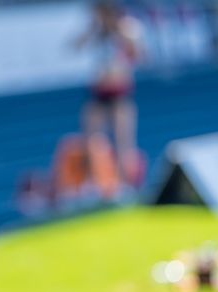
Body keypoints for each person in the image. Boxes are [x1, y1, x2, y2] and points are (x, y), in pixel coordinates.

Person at [76, 0, 142, 199]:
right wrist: (93, 30)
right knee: (90, 139)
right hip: (99, 92)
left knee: (123, 142)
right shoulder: (97, 32)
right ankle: (93, 182)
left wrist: (119, 31)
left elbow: (137, 52)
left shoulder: (126, 27)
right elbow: (76, 46)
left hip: (120, 93)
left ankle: (126, 184)